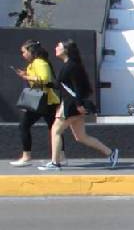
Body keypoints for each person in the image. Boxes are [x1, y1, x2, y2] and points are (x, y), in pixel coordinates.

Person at [40, 39, 119, 171]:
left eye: (58, 46)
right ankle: (111, 153)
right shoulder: (70, 65)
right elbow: (60, 85)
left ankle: (55, 163)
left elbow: (78, 88)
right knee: (81, 137)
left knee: (56, 130)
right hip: (73, 104)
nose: (55, 48)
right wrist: (36, 81)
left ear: (65, 50)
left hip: (71, 105)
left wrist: (78, 104)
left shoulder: (71, 66)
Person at [10, 40, 60, 168]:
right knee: (54, 129)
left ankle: (26, 156)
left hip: (43, 100)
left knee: (24, 126)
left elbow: (44, 79)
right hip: (45, 100)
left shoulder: (39, 62)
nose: (23, 54)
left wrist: (26, 77)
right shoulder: (35, 63)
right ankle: (61, 157)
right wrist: (25, 74)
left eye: (24, 51)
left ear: (31, 51)